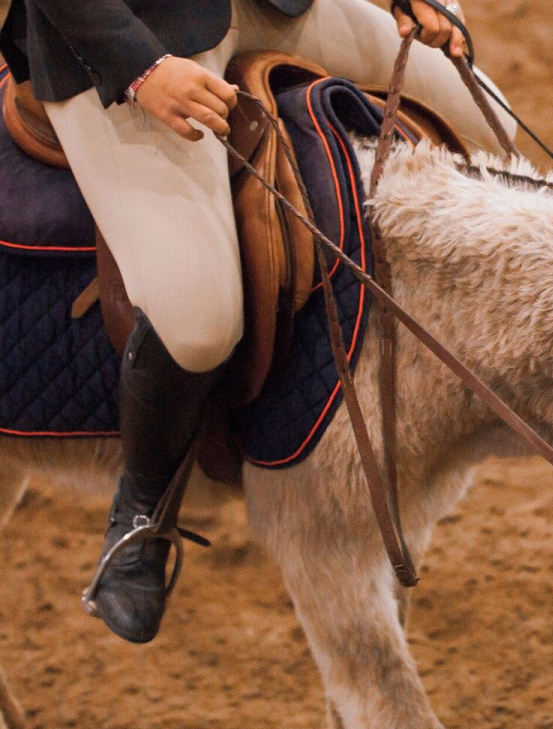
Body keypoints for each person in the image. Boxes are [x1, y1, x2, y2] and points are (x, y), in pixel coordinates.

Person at [0, 0, 505, 644]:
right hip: (128, 38)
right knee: (199, 322)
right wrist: (141, 69)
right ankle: (140, 515)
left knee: (492, 133)